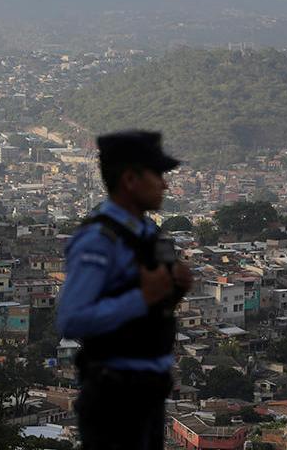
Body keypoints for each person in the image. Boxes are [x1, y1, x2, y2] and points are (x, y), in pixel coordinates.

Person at [57, 130, 193, 449]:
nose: (165, 184)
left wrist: (172, 293)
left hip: (148, 392)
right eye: (157, 174)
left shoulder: (144, 233)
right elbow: (71, 319)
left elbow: (136, 312)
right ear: (130, 180)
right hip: (115, 396)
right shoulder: (99, 240)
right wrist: (143, 296)